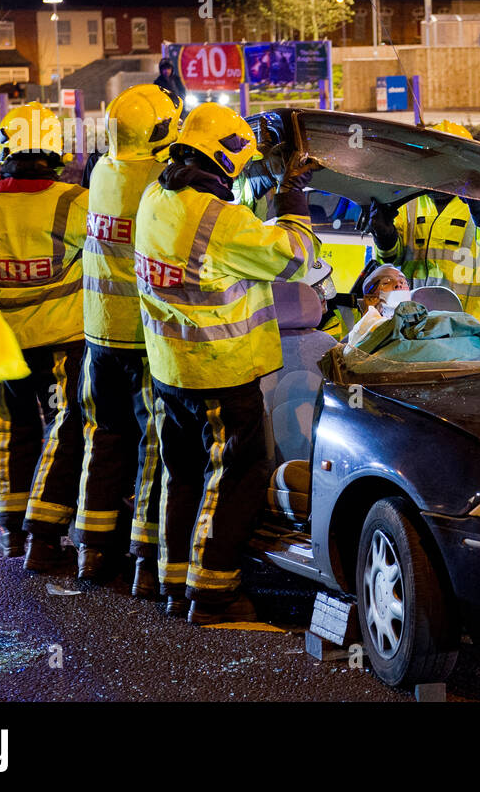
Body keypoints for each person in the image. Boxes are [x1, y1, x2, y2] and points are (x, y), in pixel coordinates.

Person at [135, 102, 316, 624]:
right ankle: (213, 595)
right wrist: (292, 195)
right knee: (236, 476)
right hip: (221, 372)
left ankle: (175, 582)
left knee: (184, 474)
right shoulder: (220, 219)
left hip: (170, 370)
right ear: (225, 158)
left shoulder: (155, 198)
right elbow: (294, 258)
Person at [0, 102, 89, 571]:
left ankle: (12, 533)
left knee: (11, 431)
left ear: (4, 148)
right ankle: (45, 537)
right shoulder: (74, 202)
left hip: (3, 345)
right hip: (62, 342)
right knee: (62, 429)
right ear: (56, 149)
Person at [71, 85, 181, 591]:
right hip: (142, 342)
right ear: (161, 131)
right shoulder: (159, 183)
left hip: (99, 337)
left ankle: (92, 553)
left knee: (102, 439)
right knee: (154, 447)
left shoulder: (101, 173)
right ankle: (144, 560)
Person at [370, 121, 480, 321]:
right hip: (412, 320)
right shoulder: (407, 201)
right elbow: (391, 261)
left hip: (467, 324)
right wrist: (384, 238)